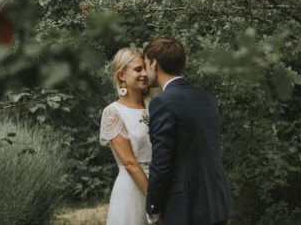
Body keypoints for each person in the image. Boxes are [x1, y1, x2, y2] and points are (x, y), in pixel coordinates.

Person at [144, 37, 234, 225]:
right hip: (216, 201)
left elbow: (162, 162)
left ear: (154, 63)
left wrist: (153, 207)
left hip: (186, 207)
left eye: (146, 64)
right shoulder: (206, 97)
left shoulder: (163, 102)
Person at [100, 48, 152, 225]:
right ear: (121, 75)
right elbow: (130, 163)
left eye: (145, 68)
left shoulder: (154, 106)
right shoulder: (113, 112)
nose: (145, 74)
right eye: (138, 69)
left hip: (162, 183)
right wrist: (155, 200)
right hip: (132, 191)